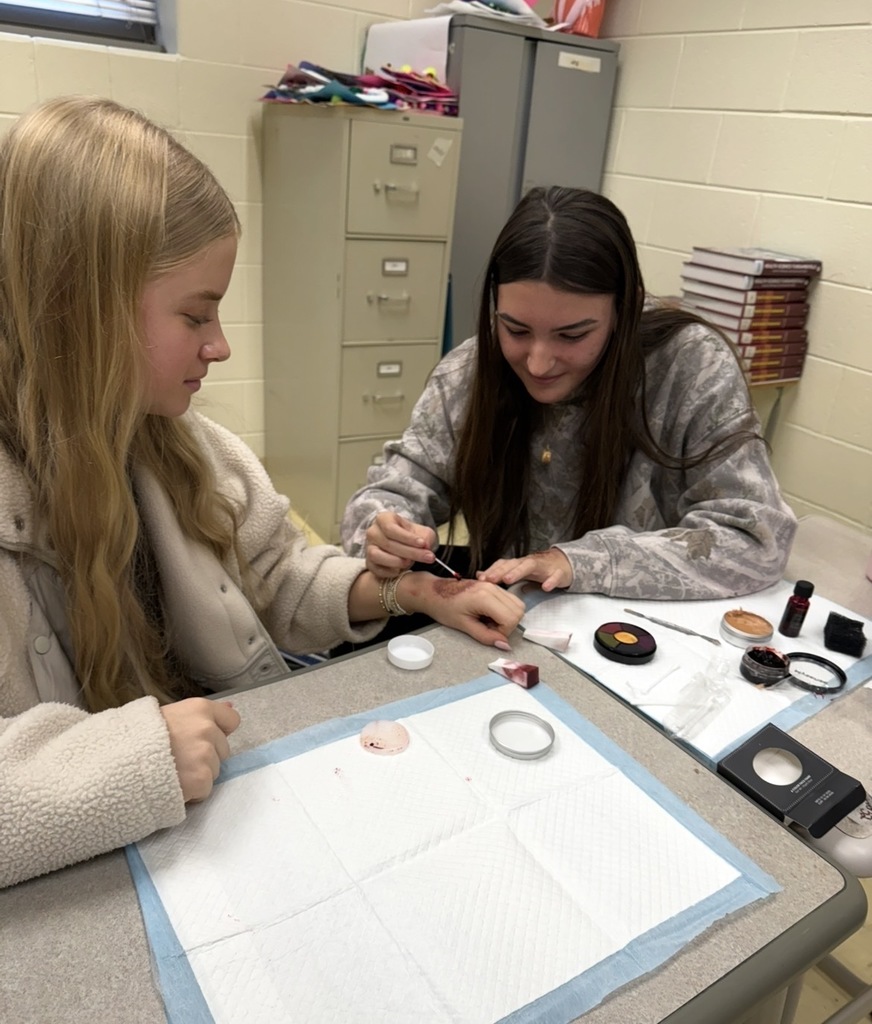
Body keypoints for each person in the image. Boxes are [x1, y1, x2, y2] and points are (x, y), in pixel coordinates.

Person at [0, 97, 523, 890]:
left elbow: (278, 577)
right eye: (194, 314)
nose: (220, 345)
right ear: (80, 309)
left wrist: (405, 589)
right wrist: (129, 764)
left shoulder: (189, 450)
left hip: (210, 828)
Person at [342, 185, 797, 602]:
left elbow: (756, 538)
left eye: (572, 335)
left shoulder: (690, 366)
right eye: (516, 329)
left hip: (640, 638)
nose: (539, 363)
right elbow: (389, 492)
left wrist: (579, 562)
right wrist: (383, 529)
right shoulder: (470, 369)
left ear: (626, 308)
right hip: (512, 622)